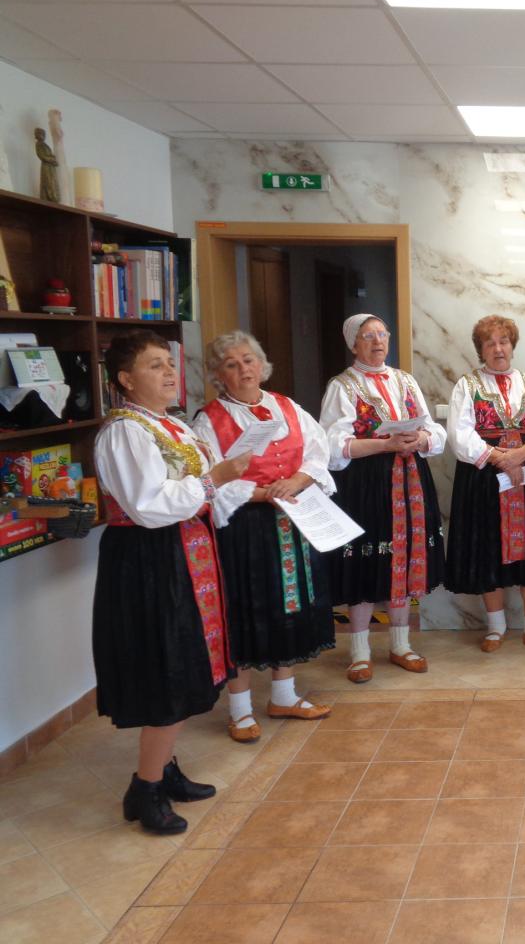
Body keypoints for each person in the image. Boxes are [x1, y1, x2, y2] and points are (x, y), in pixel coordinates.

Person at [93, 330, 252, 833]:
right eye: (154, 365)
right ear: (125, 379)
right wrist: (214, 479)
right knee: (166, 663)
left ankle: (164, 769)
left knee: (185, 659)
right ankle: (145, 788)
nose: (168, 372)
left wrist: (224, 483)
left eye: (169, 363)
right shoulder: (126, 432)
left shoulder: (172, 425)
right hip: (151, 558)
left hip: (186, 549)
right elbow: (148, 505)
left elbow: (199, 490)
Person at [193, 330, 335, 743]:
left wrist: (296, 481)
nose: (243, 369)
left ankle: (283, 696)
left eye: (248, 360)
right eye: (231, 364)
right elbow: (210, 480)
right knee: (247, 608)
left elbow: (318, 451)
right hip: (245, 527)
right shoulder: (208, 420)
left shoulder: (287, 407)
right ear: (219, 375)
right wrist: (262, 494)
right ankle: (239, 710)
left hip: (292, 519)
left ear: (261, 364)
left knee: (289, 604)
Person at [319, 314, 446, 683]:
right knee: (365, 560)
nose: (377, 342)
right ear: (352, 343)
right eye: (367, 336)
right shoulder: (341, 386)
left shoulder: (405, 380)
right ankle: (359, 652)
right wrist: (384, 444)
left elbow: (434, 431)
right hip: (365, 483)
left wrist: (420, 439)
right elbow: (331, 447)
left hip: (409, 479)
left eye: (381, 334)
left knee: (402, 556)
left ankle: (401, 645)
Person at [445, 315, 525, 652]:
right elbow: (459, 434)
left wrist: (523, 453)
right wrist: (500, 458)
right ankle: (495, 627)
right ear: (481, 350)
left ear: (513, 345)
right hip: (484, 477)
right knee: (489, 548)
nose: (498, 349)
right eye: (490, 343)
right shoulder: (467, 385)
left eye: (504, 341)